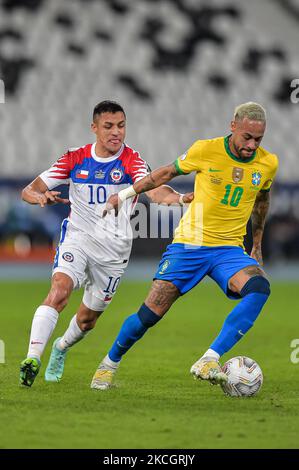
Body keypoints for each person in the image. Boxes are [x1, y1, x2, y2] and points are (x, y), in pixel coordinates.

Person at [92, 101, 278, 390]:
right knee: (149, 315)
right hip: (190, 245)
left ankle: (209, 358)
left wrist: (256, 244)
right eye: (247, 138)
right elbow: (165, 173)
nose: (252, 145)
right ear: (233, 127)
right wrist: (126, 194)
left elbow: (262, 202)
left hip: (228, 250)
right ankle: (108, 364)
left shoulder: (268, 163)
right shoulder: (205, 150)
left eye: (258, 139)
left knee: (259, 287)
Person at [19, 100, 193, 387]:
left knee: (87, 320)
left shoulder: (132, 161)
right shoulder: (75, 158)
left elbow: (155, 190)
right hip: (78, 238)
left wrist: (181, 199)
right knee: (59, 291)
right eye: (109, 126)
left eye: (121, 126)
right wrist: (39, 198)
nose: (116, 132)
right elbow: (30, 189)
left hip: (114, 251)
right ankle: (32, 357)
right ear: (94, 128)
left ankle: (61, 347)